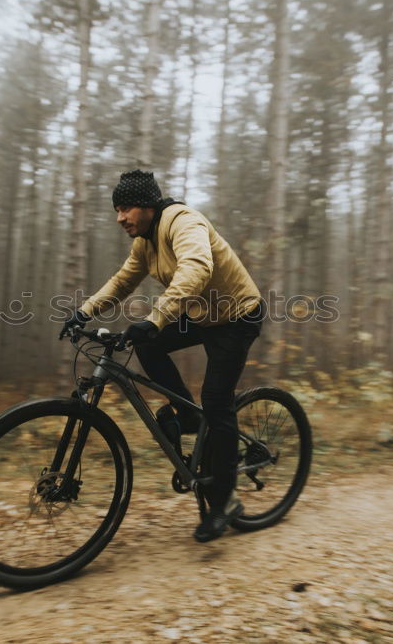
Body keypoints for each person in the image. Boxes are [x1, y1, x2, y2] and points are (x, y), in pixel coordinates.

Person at [60, 169, 264, 542]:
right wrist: (85, 311)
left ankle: (225, 501)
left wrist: (155, 318)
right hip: (203, 315)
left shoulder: (183, 221)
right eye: (116, 210)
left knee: (217, 401)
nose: (119, 218)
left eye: (125, 208)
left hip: (236, 317)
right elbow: (123, 280)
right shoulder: (145, 240)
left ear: (148, 205)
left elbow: (197, 268)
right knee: (147, 343)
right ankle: (187, 416)